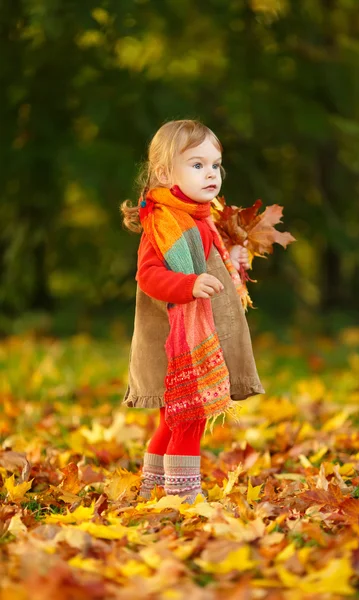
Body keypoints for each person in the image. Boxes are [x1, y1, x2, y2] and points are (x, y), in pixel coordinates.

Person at [120, 119, 264, 503]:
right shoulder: (165, 222)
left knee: (174, 417)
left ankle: (152, 486)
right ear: (165, 173)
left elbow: (214, 262)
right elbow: (148, 275)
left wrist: (233, 256)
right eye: (197, 165)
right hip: (174, 341)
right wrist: (188, 285)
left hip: (197, 335)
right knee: (189, 414)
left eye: (215, 164)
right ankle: (182, 496)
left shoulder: (201, 218)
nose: (211, 173)